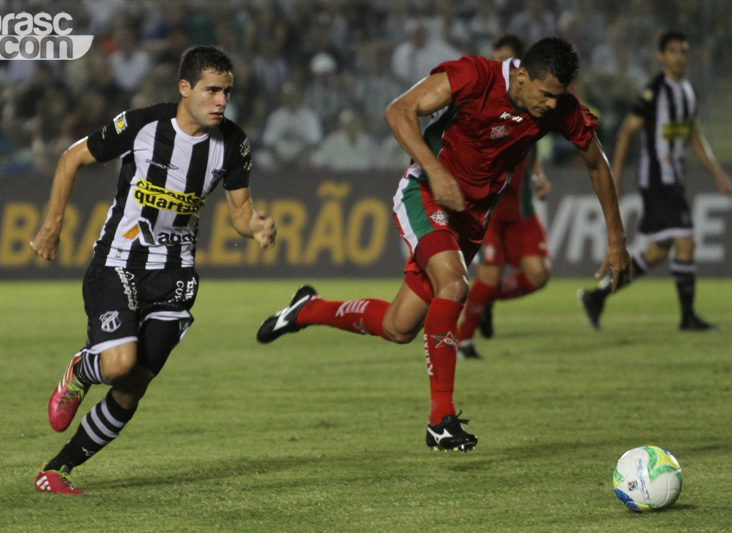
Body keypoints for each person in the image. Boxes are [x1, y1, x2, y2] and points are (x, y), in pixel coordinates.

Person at [257, 37, 631, 453]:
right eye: (545, 94)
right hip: (425, 192)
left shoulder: (560, 106)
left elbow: (597, 162)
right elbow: (398, 110)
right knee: (455, 285)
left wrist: (616, 239)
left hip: (471, 218)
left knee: (399, 327)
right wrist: (435, 172)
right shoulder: (475, 76)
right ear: (522, 75)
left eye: (557, 97)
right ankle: (441, 421)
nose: (550, 105)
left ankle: (307, 309)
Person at [30, 45, 276, 494]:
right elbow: (71, 158)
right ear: (185, 89)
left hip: (176, 276)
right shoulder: (144, 124)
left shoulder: (233, 142)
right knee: (119, 363)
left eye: (227, 92)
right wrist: (51, 226)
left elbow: (240, 212)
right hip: (118, 261)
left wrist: (254, 227)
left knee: (132, 386)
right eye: (212, 90)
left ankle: (57, 470)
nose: (222, 101)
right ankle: (83, 370)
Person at [578, 30, 731, 332]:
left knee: (658, 251)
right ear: (661, 57)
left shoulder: (688, 91)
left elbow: (695, 136)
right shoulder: (654, 92)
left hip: (674, 178)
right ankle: (688, 318)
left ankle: (596, 297)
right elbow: (626, 132)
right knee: (686, 240)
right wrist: (616, 178)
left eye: (683, 51)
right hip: (657, 179)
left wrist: (718, 174)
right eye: (672, 51)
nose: (678, 56)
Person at [456, 34, 552, 361]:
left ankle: (483, 301)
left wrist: (538, 176)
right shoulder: (485, 101)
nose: (503, 67)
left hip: (521, 207)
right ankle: (463, 341)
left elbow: (533, 148)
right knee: (489, 274)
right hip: (492, 208)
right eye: (498, 59)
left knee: (539, 275)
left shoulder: (536, 105)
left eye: (509, 61)